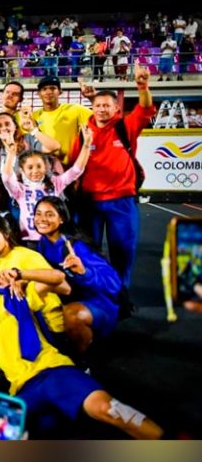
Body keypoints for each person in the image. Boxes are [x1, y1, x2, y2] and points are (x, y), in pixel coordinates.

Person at [0, 260, 162, 439]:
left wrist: (20, 274)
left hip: (54, 371)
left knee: (109, 410)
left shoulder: (14, 296)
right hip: (22, 390)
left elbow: (58, 278)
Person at [69, 64, 156, 291]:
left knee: (123, 252)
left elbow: (145, 108)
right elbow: (74, 166)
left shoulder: (125, 126)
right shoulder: (84, 133)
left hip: (122, 202)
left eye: (107, 105)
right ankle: (92, 291)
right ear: (92, 107)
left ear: (116, 108)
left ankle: (121, 294)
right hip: (89, 203)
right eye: (98, 105)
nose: (102, 109)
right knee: (88, 251)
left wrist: (142, 85)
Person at [34, 197, 122, 356]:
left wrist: (84, 272)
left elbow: (114, 283)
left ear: (61, 219)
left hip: (96, 302)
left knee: (73, 315)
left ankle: (83, 360)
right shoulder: (43, 243)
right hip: (69, 297)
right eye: (38, 214)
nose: (42, 219)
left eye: (49, 214)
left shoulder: (77, 246)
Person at [0, 127, 92, 244]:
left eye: (39, 166)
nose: (35, 171)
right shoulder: (19, 190)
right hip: (31, 241)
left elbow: (76, 170)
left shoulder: (55, 183)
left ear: (46, 167)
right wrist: (11, 154)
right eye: (30, 167)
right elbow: (6, 177)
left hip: (54, 240)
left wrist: (86, 145)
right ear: (22, 170)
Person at [32, 75, 92, 166]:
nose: (48, 92)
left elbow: (101, 117)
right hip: (46, 168)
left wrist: (92, 98)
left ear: (60, 92)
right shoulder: (33, 116)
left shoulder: (75, 109)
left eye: (53, 88)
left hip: (72, 167)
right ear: (39, 94)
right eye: (44, 89)